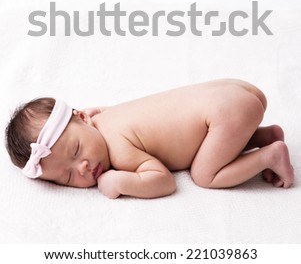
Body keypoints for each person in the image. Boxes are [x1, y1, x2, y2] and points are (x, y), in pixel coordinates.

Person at [5, 79, 294, 199]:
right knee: (210, 143)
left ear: (83, 117)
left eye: (76, 150)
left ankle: (269, 155)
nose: (82, 167)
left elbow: (164, 180)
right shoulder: (103, 117)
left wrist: (121, 182)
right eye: (68, 176)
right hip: (234, 92)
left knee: (205, 174)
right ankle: (263, 136)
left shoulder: (119, 152)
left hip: (225, 113)